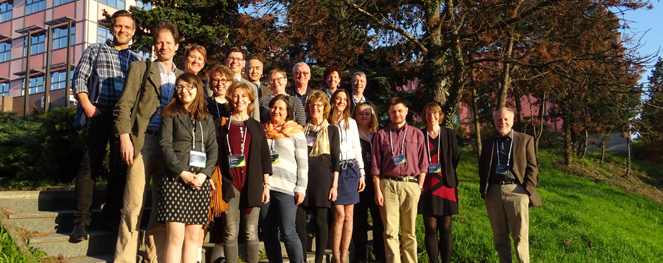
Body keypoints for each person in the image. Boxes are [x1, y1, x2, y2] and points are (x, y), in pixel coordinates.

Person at [113, 22, 183, 262]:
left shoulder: (182, 77)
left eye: (168, 42)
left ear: (176, 46)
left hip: (171, 148)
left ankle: (154, 259)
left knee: (162, 209)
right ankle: (124, 259)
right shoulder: (140, 68)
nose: (163, 46)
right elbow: (124, 105)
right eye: (159, 42)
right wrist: (125, 136)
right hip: (143, 143)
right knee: (133, 206)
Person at [70, 10, 140, 242]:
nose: (123, 30)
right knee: (89, 167)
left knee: (120, 169)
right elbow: (79, 78)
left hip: (124, 120)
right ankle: (81, 222)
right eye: (118, 26)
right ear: (112, 28)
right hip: (98, 112)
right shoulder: (95, 50)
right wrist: (88, 106)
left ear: (133, 31)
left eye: (127, 27)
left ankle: (110, 217)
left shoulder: (136, 60)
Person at [158, 73, 218, 263]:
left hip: (199, 181)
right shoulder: (170, 114)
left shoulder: (207, 118)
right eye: (180, 87)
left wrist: (205, 174)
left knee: (193, 238)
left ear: (197, 89)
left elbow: (213, 149)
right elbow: (165, 146)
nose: (184, 91)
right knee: (176, 238)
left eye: (189, 87)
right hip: (175, 179)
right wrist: (181, 172)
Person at [213, 82, 272, 263]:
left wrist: (266, 185)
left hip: (252, 183)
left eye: (244, 96)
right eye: (236, 96)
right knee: (230, 231)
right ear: (231, 99)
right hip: (229, 183)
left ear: (250, 100)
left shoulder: (256, 126)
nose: (240, 100)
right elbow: (215, 154)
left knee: (251, 231)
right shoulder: (222, 124)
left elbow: (264, 157)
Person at [479, 108, 541, 263]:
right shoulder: (488, 143)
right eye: (499, 119)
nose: (503, 122)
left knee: (520, 236)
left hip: (517, 191)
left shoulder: (525, 139)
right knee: (499, 236)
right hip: (493, 192)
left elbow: (533, 168)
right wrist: (485, 189)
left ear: (512, 121)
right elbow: (482, 168)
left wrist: (526, 189)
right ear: (494, 122)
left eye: (506, 119)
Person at [372, 97, 428, 263]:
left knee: (409, 232)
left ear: (406, 112)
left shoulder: (417, 134)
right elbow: (375, 166)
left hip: (411, 185)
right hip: (387, 186)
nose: (397, 114)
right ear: (389, 113)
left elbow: (424, 163)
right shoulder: (381, 135)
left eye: (400, 110)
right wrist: (377, 190)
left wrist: (419, 187)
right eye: (393, 111)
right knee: (390, 232)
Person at [260, 95, 308, 263]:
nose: (277, 111)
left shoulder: (296, 132)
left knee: (288, 231)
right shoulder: (262, 130)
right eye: (274, 107)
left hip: (287, 187)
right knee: (268, 231)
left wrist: (301, 188)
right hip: (265, 188)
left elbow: (303, 162)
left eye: (281, 108)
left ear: (287, 112)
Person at [296, 90, 341, 263]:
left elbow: (336, 160)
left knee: (321, 222)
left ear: (325, 108)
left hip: (322, 181)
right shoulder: (301, 130)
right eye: (312, 105)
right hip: (302, 181)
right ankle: (302, 258)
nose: (315, 108)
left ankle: (319, 259)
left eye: (319, 105)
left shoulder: (332, 130)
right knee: (300, 221)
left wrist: (334, 185)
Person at [419, 102, 459, 263]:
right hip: (426, 185)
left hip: (445, 185)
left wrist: (445, 171)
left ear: (440, 115)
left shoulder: (449, 134)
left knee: (446, 228)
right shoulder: (419, 134)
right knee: (430, 228)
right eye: (428, 113)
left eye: (435, 113)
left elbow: (455, 157)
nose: (432, 116)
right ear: (425, 116)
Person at [329, 89, 366, 263]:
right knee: (339, 215)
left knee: (349, 215)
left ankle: (344, 256)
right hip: (334, 170)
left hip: (351, 169)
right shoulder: (327, 121)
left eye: (344, 99)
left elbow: (356, 148)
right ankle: (336, 257)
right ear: (333, 100)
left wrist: (362, 173)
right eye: (338, 98)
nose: (341, 101)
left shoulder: (351, 122)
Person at [352, 103, 385, 263]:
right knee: (359, 221)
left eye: (367, 114)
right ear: (355, 116)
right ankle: (361, 255)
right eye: (361, 114)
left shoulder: (378, 135)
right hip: (359, 183)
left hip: (377, 184)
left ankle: (380, 253)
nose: (364, 116)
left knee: (379, 220)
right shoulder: (352, 135)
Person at [225, 47, 260, 121]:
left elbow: (255, 116)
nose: (234, 61)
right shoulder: (216, 83)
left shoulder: (252, 87)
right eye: (231, 58)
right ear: (225, 61)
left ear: (244, 63)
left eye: (238, 59)